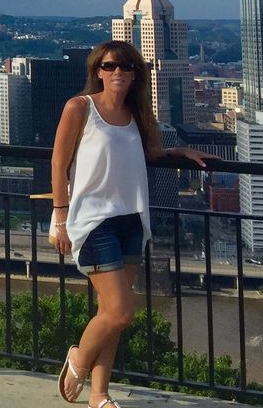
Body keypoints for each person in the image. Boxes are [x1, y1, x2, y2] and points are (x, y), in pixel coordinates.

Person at [51, 40, 211, 408]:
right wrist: (60, 217)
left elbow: (141, 154)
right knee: (121, 311)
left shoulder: (135, 114)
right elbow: (59, 164)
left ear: (136, 73)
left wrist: (178, 153)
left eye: (125, 67)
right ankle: (78, 359)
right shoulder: (80, 108)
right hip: (93, 222)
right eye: (109, 66)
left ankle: (99, 395)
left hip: (131, 220)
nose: (117, 73)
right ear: (97, 71)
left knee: (108, 313)